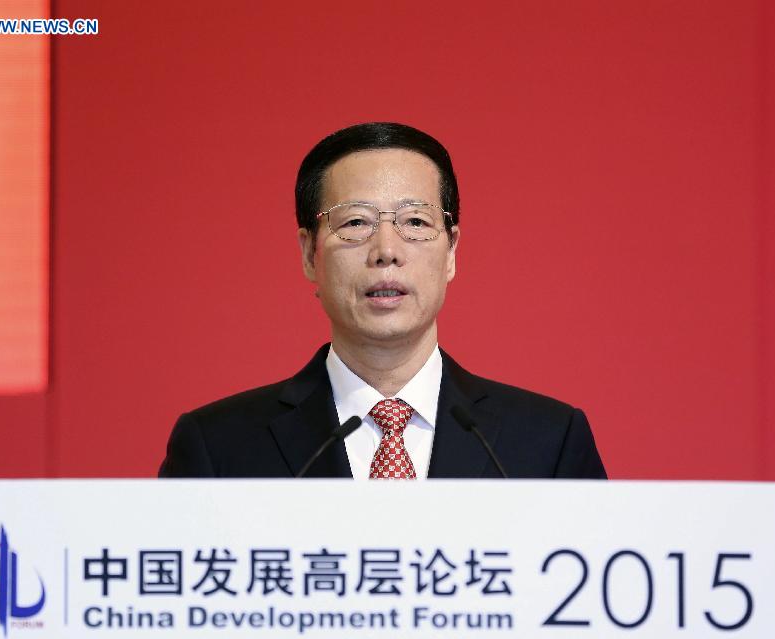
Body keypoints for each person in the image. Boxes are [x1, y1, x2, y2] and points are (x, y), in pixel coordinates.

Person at [159, 122, 606, 479]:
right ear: (309, 254)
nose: (386, 250)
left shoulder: (549, 443)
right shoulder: (218, 448)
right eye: (355, 222)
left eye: (415, 222)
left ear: (451, 251)